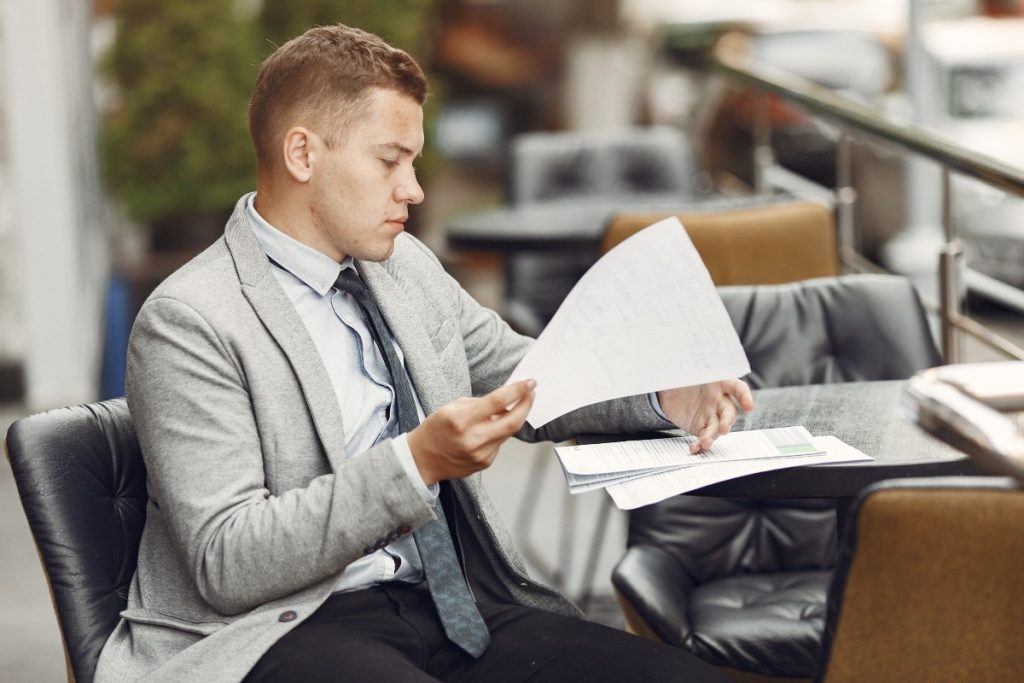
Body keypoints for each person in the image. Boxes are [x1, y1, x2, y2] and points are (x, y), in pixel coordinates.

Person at [96, 24, 753, 683]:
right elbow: (227, 561)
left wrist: (661, 395)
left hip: (447, 603)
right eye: (390, 161)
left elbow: (522, 376)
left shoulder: (403, 265)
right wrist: (415, 464)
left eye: (412, 162)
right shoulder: (191, 319)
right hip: (277, 627)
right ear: (302, 154)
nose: (412, 189)